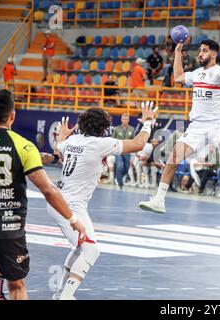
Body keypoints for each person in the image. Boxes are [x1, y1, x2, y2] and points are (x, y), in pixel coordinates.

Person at [0, 89, 86, 300]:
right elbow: (48, 190)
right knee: (17, 286)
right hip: (9, 229)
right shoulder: (24, 146)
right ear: (13, 115)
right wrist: (73, 219)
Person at [49, 102, 157, 300]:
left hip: (62, 202)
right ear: (103, 128)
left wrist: (63, 137)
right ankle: (65, 297)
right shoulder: (99, 144)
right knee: (91, 251)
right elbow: (138, 144)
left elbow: (59, 150)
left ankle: (60, 294)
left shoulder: (72, 141)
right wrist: (148, 122)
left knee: (81, 247)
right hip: (69, 206)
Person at [138, 39, 220, 214]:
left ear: (213, 54)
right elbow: (179, 77)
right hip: (197, 126)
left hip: (217, 124)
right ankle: (158, 200)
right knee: (173, 158)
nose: (200, 54)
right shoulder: (196, 73)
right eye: (200, 51)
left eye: (204, 51)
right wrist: (177, 53)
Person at [112, 113, 135, 189]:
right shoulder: (117, 129)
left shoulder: (132, 129)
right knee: (119, 166)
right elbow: (113, 139)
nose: (125, 120)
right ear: (121, 120)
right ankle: (120, 182)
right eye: (124, 119)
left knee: (126, 167)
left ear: (128, 120)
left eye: (126, 119)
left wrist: (133, 152)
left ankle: (119, 177)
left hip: (127, 151)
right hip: (118, 150)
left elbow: (133, 140)